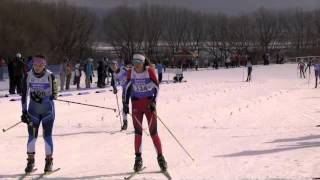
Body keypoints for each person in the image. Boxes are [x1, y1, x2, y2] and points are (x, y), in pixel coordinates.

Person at [124, 54, 167, 172]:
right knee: (138, 133)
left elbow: (157, 88)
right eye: (135, 63)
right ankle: (138, 159)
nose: (136, 66)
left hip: (149, 105)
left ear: (143, 63)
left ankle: (161, 158)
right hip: (136, 106)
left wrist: (154, 102)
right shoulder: (130, 72)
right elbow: (126, 89)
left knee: (153, 132)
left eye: (138, 63)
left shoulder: (150, 71)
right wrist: (125, 104)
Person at [20, 55, 58, 173]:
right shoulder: (28, 75)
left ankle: (49, 161)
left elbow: (55, 94)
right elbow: (24, 95)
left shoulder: (50, 75)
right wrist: (24, 111)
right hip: (33, 112)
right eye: (35, 65)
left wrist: (42, 98)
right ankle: (30, 162)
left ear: (44, 65)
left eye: (40, 65)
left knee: (47, 137)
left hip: (48, 112)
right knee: (32, 137)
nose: (37, 67)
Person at [110, 60, 128, 130]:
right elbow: (114, 83)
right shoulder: (114, 74)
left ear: (117, 65)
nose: (113, 67)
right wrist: (114, 88)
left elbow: (132, 74)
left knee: (135, 105)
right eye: (112, 66)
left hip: (132, 88)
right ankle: (125, 122)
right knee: (124, 106)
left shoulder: (123, 69)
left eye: (114, 65)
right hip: (124, 90)